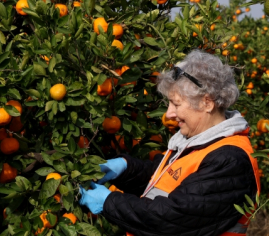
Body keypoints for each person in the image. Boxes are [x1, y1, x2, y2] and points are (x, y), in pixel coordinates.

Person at [79, 50, 260, 236]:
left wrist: (108, 202)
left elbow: (171, 218)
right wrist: (125, 169)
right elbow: (167, 179)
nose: (169, 114)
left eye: (176, 104)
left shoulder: (230, 160)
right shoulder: (199, 142)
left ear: (207, 103)